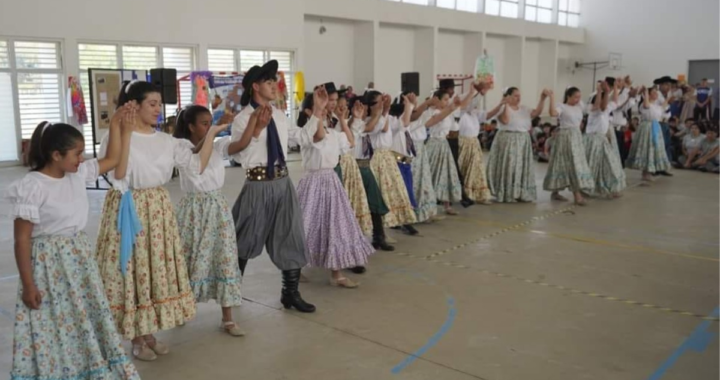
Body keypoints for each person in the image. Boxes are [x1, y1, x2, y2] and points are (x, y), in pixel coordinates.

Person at [7, 119, 140, 379]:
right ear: (56, 155)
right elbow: (21, 240)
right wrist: (29, 284)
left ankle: (88, 364)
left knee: (83, 314)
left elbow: (112, 159)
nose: (82, 158)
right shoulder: (32, 186)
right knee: (55, 319)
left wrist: (116, 125)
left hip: (78, 258)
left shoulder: (77, 174)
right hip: (49, 266)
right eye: (77, 153)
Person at [96, 80, 209, 361]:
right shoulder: (117, 136)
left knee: (153, 267)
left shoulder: (167, 141)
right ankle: (136, 336)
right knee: (133, 269)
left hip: (157, 208)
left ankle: (148, 332)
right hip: (128, 206)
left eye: (160, 104)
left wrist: (214, 133)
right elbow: (117, 176)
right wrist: (122, 129)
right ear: (134, 105)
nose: (159, 109)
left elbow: (196, 166)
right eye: (152, 104)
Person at [228, 60, 315, 313]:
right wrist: (256, 131)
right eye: (269, 82)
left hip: (282, 182)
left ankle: (290, 293)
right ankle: (232, 293)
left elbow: (301, 138)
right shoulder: (243, 119)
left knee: (291, 234)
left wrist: (317, 112)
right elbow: (239, 158)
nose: (275, 86)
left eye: (275, 81)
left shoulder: (279, 114)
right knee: (244, 238)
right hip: (257, 184)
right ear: (255, 86)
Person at [172, 105, 245, 337]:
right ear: (191, 126)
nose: (207, 127)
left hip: (217, 206)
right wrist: (213, 132)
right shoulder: (181, 146)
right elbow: (195, 156)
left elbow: (239, 145)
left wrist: (222, 129)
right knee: (188, 257)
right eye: (203, 123)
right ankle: (182, 307)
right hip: (193, 209)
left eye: (208, 122)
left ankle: (228, 318)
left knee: (223, 257)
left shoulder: (216, 144)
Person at [295, 87, 375, 288]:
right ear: (308, 112)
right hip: (313, 183)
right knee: (306, 226)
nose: (324, 109)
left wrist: (344, 120)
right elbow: (319, 135)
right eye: (319, 107)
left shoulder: (333, 132)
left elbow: (350, 142)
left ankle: (336, 274)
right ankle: (294, 268)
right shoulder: (307, 132)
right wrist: (319, 111)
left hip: (331, 181)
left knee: (336, 226)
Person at [362, 91, 418, 228]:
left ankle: (391, 224)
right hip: (376, 160)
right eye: (378, 102)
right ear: (370, 105)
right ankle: (379, 231)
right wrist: (384, 110)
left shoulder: (386, 117)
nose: (382, 104)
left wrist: (408, 107)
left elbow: (403, 124)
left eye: (383, 101)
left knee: (393, 192)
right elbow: (377, 128)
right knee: (380, 194)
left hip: (388, 159)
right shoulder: (367, 121)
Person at [486, 87, 547, 203]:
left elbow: (536, 113)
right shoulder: (502, 109)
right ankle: (507, 193)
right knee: (510, 167)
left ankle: (520, 192)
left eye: (519, 95)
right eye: (515, 95)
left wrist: (542, 99)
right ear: (508, 96)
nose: (518, 98)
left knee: (521, 167)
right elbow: (506, 121)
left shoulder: (524, 109)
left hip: (523, 140)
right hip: (508, 140)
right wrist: (506, 104)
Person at [348, 97, 394, 251]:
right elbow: (367, 128)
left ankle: (379, 237)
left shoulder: (366, 122)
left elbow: (376, 127)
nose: (366, 110)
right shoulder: (352, 123)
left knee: (375, 202)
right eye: (364, 107)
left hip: (366, 167)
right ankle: (355, 242)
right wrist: (379, 112)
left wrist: (383, 111)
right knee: (355, 206)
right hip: (354, 169)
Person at [425, 89, 476, 214]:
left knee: (447, 173)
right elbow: (435, 121)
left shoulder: (449, 112)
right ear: (437, 100)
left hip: (444, 144)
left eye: (448, 99)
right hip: (434, 144)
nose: (448, 102)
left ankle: (447, 205)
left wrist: (471, 92)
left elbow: (462, 106)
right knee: (431, 173)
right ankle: (428, 204)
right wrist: (451, 107)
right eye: (445, 99)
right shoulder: (432, 112)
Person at [546, 86, 594, 205]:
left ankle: (557, 192)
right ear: (568, 96)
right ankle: (576, 196)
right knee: (567, 163)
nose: (578, 99)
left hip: (576, 137)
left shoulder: (579, 106)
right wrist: (551, 98)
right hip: (565, 137)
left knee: (575, 163)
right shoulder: (561, 106)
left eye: (579, 97)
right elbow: (552, 113)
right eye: (576, 97)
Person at [457, 81, 501, 205]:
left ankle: (478, 194)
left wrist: (500, 104)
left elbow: (488, 115)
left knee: (476, 169)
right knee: (464, 169)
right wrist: (478, 93)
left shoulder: (474, 114)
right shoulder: (461, 113)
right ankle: (465, 193)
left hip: (474, 143)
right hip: (464, 143)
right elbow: (468, 105)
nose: (474, 104)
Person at [584, 80, 626, 198]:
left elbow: (615, 102)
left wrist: (616, 88)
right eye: (605, 99)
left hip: (602, 140)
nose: (607, 103)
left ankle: (611, 188)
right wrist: (601, 91)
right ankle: (587, 188)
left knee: (610, 163)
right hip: (592, 140)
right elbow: (600, 106)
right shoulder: (592, 108)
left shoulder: (606, 109)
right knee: (592, 165)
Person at [625, 85, 674, 184]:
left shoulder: (657, 106)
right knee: (647, 149)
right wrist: (645, 92)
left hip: (655, 127)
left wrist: (668, 97)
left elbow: (664, 105)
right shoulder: (645, 104)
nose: (656, 94)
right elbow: (647, 104)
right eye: (654, 93)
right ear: (649, 95)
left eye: (656, 93)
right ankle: (645, 172)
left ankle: (648, 171)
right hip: (647, 128)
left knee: (653, 150)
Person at [388, 92, 421, 235]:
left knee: (407, 192)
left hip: (406, 163)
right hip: (398, 162)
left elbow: (411, 118)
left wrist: (413, 104)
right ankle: (405, 222)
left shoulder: (404, 127)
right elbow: (405, 120)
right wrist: (408, 105)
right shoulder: (395, 125)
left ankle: (402, 220)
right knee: (403, 193)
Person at [407, 97, 441, 223]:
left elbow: (432, 118)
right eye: (413, 105)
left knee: (424, 180)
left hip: (421, 149)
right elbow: (419, 118)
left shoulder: (418, 118)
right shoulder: (409, 120)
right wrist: (427, 105)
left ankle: (426, 212)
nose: (416, 107)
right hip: (412, 151)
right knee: (415, 180)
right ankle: (416, 213)